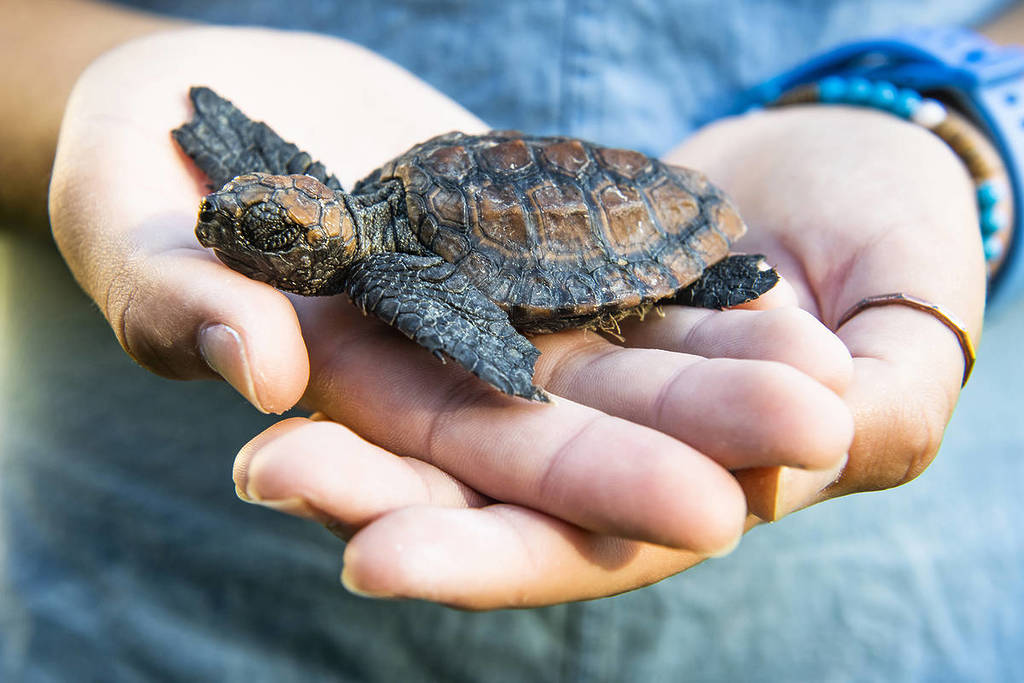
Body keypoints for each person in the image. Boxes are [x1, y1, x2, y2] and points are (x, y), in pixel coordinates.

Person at [2, 0, 1022, 679]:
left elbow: (460, 319)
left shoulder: (386, 266)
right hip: (155, 612)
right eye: (237, 216)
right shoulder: (358, 226)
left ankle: (701, 280)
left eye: (261, 227)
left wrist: (960, 118)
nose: (228, 226)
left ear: (317, 243)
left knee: (665, 316)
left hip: (875, 620)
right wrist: (96, 84)